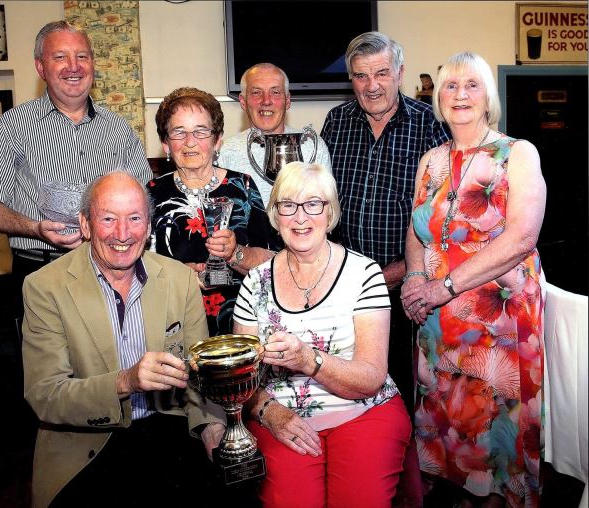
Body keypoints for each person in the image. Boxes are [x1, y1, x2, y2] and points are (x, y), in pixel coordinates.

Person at [22, 172, 226, 508]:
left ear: (148, 226)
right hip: (87, 443)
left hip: (167, 429)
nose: (122, 233)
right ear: (85, 224)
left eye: (134, 218)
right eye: (108, 219)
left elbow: (199, 378)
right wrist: (125, 381)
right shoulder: (45, 287)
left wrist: (210, 426)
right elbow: (46, 395)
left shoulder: (179, 280)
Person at [401, 52, 546, 508]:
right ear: (438, 99)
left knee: (495, 429)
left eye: (471, 85)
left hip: (498, 321)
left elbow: (522, 237)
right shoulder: (431, 161)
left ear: (488, 98)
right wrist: (414, 277)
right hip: (437, 319)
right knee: (450, 425)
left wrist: (443, 287)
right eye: (450, 85)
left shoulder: (517, 153)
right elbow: (417, 228)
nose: (460, 94)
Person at [233, 162, 411, 508]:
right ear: (275, 215)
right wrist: (269, 412)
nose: (300, 217)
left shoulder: (364, 274)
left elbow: (371, 378)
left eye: (313, 204)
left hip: (364, 412)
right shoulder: (254, 283)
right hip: (283, 418)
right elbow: (243, 379)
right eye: (288, 205)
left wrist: (308, 359)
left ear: (330, 213)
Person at [0, 20, 152, 298]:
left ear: (93, 64)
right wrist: (35, 229)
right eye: (60, 57)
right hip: (41, 270)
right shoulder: (13, 127)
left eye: (82, 56)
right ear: (41, 67)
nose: (73, 67)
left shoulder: (119, 129)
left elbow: (147, 199)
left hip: (115, 273)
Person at [321, 31, 450, 421]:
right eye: (361, 76)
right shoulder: (336, 123)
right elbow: (321, 202)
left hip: (405, 290)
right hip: (342, 291)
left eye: (381, 73)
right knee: (347, 392)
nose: (372, 85)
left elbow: (445, 218)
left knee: (404, 393)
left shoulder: (430, 124)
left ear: (400, 73)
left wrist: (401, 273)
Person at [148, 87, 279, 336]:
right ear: (165, 143)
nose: (190, 142)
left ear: (217, 140)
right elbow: (138, 269)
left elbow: (273, 264)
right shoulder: (152, 194)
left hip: (241, 323)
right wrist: (181, 277)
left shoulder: (242, 187)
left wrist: (235, 253)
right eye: (179, 132)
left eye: (201, 131)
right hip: (176, 325)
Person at [218, 63, 332, 206]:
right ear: (243, 102)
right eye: (256, 92)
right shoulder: (224, 151)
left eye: (275, 92)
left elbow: (327, 208)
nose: (266, 101)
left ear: (287, 101)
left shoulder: (313, 146)